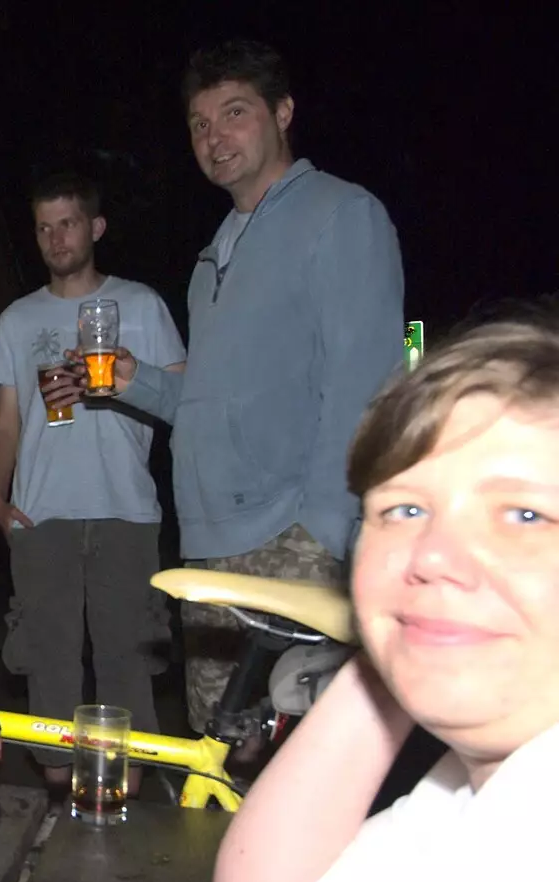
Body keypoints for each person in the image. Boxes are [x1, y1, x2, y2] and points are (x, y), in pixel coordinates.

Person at [195, 304, 559, 882]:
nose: (432, 554)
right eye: (405, 508)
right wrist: (396, 647)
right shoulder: (475, 791)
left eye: (524, 513)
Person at [108, 40, 405, 733]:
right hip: (210, 539)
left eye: (234, 113)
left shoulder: (339, 214)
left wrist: (329, 531)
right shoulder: (213, 254)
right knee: (223, 744)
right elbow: (207, 404)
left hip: (291, 533)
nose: (214, 137)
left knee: (305, 756)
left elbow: (369, 383)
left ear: (283, 112)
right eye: (199, 124)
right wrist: (136, 382)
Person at [0, 173, 185, 789]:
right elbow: (7, 420)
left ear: (95, 228)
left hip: (125, 509)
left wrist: (125, 382)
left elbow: (183, 397)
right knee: (49, 663)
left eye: (66, 223)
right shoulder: (19, 319)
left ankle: (124, 796)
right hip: (42, 513)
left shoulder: (143, 304)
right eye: (43, 227)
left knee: (125, 659)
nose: (54, 238)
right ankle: (57, 802)